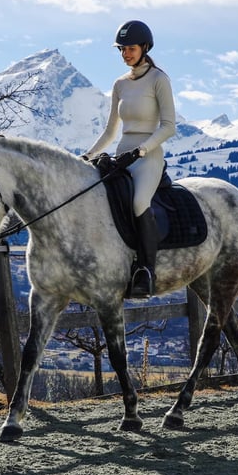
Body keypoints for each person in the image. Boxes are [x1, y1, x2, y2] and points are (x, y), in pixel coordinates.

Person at [83, 19, 176, 298]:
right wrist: (87, 156)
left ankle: (146, 271)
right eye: (122, 49)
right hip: (121, 153)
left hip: (148, 156)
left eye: (131, 48)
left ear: (144, 47)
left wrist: (141, 151)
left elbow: (169, 126)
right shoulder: (120, 84)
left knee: (138, 202)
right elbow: (111, 130)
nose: (126, 54)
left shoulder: (159, 80)